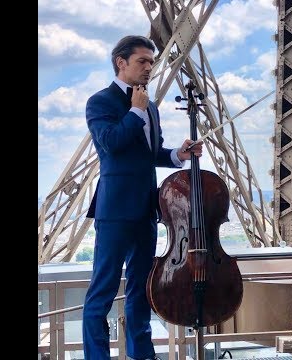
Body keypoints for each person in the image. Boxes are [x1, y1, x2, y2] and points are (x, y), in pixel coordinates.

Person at [82, 35, 203, 360]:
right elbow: (111, 144)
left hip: (147, 211)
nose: (149, 67)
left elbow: (150, 154)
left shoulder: (150, 106)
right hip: (115, 212)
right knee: (102, 292)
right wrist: (134, 112)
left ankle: (143, 355)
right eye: (142, 61)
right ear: (121, 63)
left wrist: (178, 154)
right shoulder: (101, 102)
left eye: (152, 62)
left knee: (141, 291)